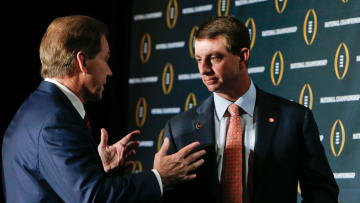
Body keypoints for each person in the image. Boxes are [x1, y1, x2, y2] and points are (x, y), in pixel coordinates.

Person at [1, 15, 206, 202]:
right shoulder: (55, 121)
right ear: (82, 62)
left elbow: (64, 186)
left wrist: (101, 168)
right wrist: (159, 177)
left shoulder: (37, 109)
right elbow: (92, 198)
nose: (109, 72)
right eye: (105, 59)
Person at [162, 16, 339, 203]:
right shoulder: (179, 129)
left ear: (242, 57)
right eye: (199, 59)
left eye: (214, 57)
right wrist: (162, 178)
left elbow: (322, 191)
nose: (203, 69)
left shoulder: (294, 119)